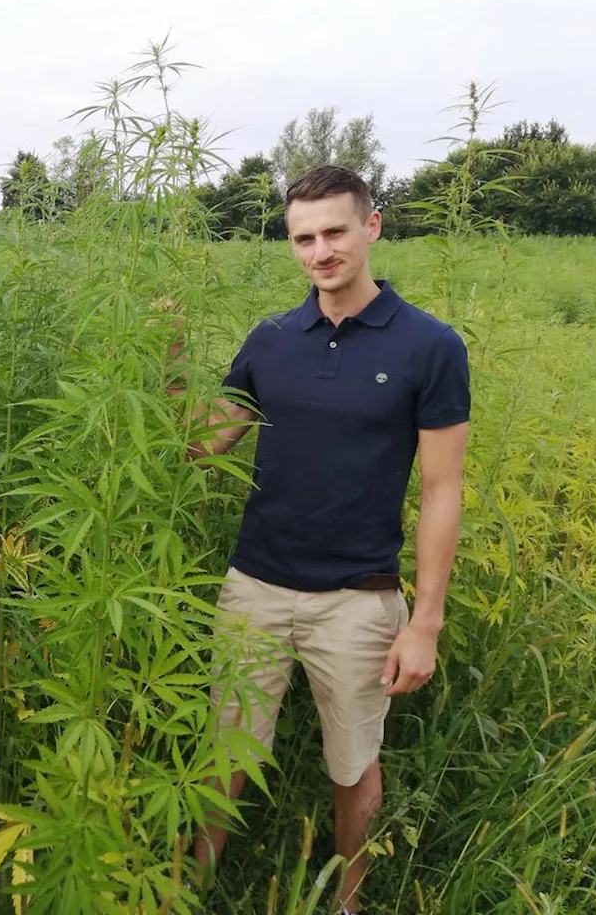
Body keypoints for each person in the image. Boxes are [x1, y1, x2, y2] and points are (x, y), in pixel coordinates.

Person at [185, 165, 470, 914]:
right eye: (304, 238)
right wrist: (171, 364)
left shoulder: (429, 346)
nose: (321, 251)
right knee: (226, 755)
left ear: (372, 226)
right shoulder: (271, 340)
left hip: (358, 598)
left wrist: (427, 624)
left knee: (354, 767)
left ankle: (346, 901)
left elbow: (443, 491)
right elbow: (205, 445)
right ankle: (190, 888)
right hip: (254, 585)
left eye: (335, 232)